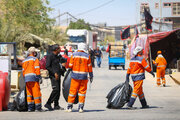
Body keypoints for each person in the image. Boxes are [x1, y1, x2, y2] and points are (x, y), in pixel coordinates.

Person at [66, 43, 93, 113]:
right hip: (84, 77)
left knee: (72, 91)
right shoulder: (87, 56)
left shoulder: (73, 55)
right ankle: (81, 107)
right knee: (82, 92)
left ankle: (69, 107)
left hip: (75, 76)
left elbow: (70, 65)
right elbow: (90, 67)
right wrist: (91, 75)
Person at [45, 44, 65, 111]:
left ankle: (56, 105)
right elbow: (47, 66)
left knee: (58, 90)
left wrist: (63, 68)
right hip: (53, 76)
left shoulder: (58, 56)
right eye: (59, 48)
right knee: (55, 89)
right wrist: (54, 73)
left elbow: (61, 65)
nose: (60, 50)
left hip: (58, 75)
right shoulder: (50, 56)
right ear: (56, 49)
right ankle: (48, 103)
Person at [22, 47, 43, 112]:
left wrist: (25, 78)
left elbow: (23, 71)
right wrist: (39, 77)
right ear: (34, 53)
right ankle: (38, 108)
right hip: (34, 78)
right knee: (36, 93)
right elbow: (37, 69)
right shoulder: (35, 59)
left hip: (27, 79)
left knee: (29, 93)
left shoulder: (24, 60)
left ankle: (30, 108)